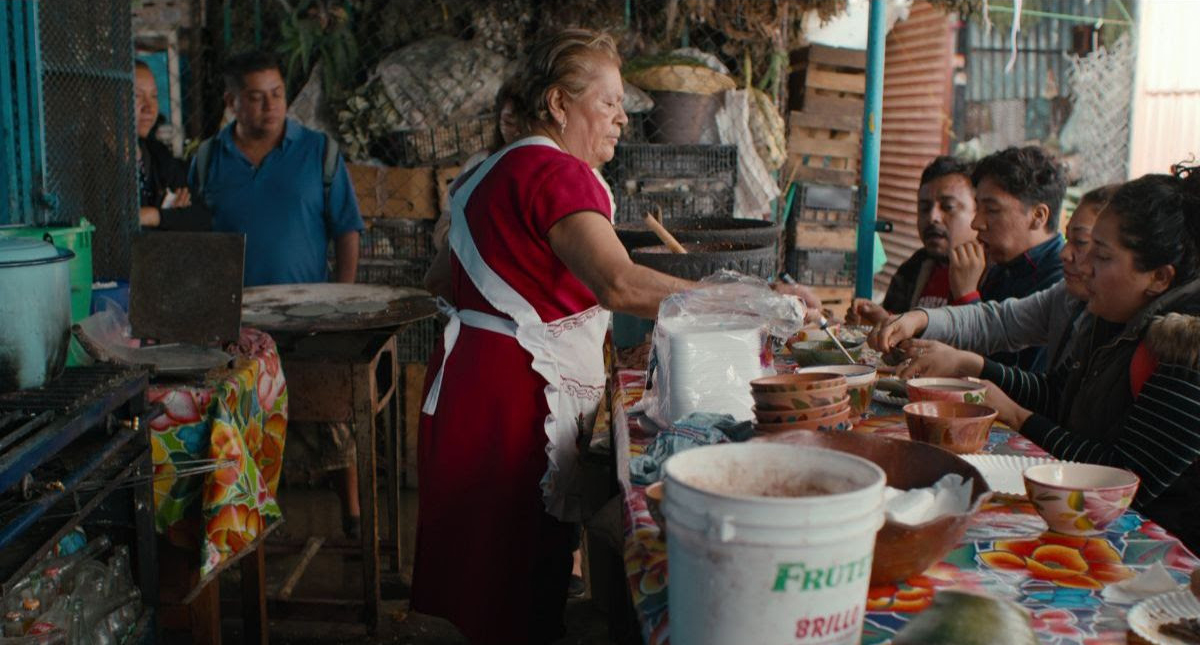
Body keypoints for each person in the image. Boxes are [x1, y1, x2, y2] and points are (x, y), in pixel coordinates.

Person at [413, 29, 817, 644]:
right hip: (516, 396)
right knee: (519, 578)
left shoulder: (484, 174)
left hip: (468, 385)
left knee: (485, 575)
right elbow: (620, 285)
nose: (623, 119)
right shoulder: (558, 175)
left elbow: (442, 276)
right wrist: (755, 303)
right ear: (557, 105)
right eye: (608, 103)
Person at [904, 171, 1200, 549]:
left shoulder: (1185, 349)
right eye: (1087, 246)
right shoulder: (1110, 316)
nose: (1083, 263)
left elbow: (1121, 478)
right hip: (1085, 530)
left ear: (1159, 278)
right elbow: (1059, 396)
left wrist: (1014, 414)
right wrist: (974, 369)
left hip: (1158, 560)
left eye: (1102, 255)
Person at [190, 50, 366, 538]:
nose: (269, 106)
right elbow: (195, 239)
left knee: (331, 413)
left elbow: (347, 229)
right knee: (242, 421)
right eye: (255, 97)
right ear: (231, 102)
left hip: (307, 317)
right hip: (235, 322)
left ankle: (351, 515)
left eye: (277, 94)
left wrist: (342, 302)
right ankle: (247, 520)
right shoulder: (206, 161)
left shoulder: (319, 152)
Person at [872, 184, 1119, 375]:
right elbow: (996, 321)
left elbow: (1036, 388)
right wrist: (918, 319)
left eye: (990, 209)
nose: (977, 223)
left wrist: (968, 361)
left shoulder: (1059, 277)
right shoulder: (1064, 293)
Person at [965, 145, 1067, 370]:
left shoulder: (1063, 280)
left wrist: (967, 295)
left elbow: (1018, 380)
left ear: (1038, 216)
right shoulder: (1002, 266)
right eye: (977, 209)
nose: (976, 223)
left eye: (991, 210)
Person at [847, 156, 978, 325]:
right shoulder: (913, 268)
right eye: (924, 208)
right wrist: (877, 322)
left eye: (948, 207)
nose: (932, 217)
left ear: (978, 212)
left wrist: (967, 296)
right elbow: (896, 331)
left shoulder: (995, 275)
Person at [134, 61, 210, 231]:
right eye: (136, 96)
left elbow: (202, 215)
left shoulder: (157, 155)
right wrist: (171, 216)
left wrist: (154, 216)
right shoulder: (92, 163)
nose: (149, 107)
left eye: (154, 96)